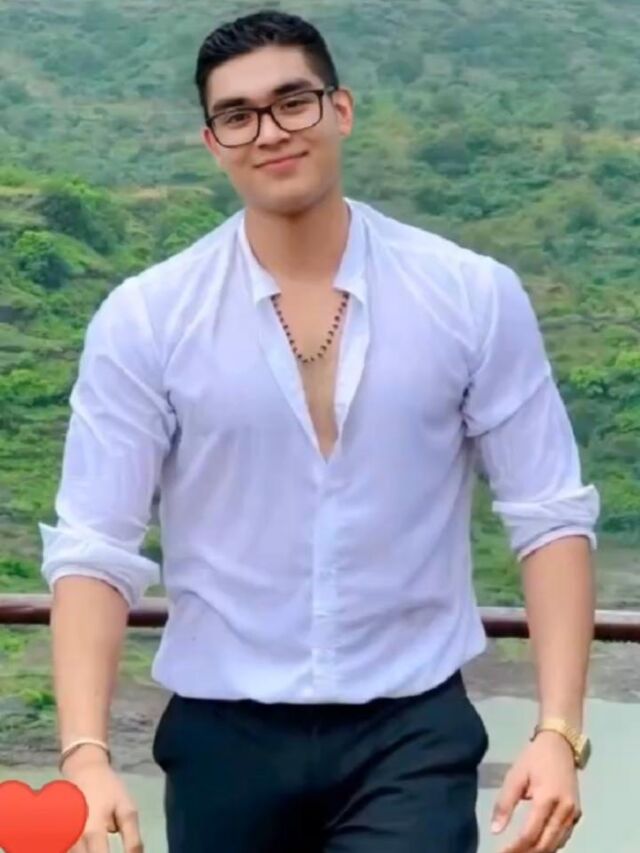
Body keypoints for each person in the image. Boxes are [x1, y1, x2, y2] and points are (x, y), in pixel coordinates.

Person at [40, 9, 600, 853]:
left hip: (411, 729)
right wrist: (85, 752)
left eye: (292, 102)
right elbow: (95, 544)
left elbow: (549, 513)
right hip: (222, 734)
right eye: (238, 115)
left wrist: (558, 729)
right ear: (213, 143)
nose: (269, 131)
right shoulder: (148, 317)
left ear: (341, 109)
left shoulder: (470, 294)